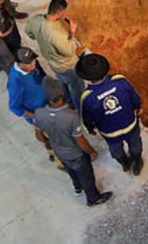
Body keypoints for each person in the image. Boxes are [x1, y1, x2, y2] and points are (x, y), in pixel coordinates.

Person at [34, 78, 113, 207]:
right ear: (63, 92)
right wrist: (91, 151)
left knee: (71, 170)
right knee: (87, 177)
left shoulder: (39, 113)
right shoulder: (71, 116)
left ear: (46, 96)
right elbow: (80, 141)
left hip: (59, 152)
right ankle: (93, 198)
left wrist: (48, 143)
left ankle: (78, 188)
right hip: (76, 154)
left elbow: (38, 135)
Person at [77, 53, 144, 176]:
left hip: (110, 132)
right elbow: (134, 95)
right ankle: (137, 163)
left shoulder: (87, 97)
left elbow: (87, 117)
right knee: (135, 143)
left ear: (86, 77)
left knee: (115, 149)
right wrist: (138, 107)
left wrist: (90, 128)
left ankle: (125, 164)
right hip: (130, 124)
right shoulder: (120, 80)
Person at [25, 0, 87, 109]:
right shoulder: (56, 34)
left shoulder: (36, 19)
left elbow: (28, 32)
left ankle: (69, 103)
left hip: (53, 63)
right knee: (76, 88)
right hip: (67, 66)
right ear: (58, 12)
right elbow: (69, 51)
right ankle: (80, 109)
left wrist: (40, 38)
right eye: (63, 12)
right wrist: (72, 32)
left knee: (63, 83)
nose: (63, 15)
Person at [7, 47, 58, 163]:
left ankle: (52, 148)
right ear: (19, 65)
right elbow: (14, 107)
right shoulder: (15, 82)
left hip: (48, 104)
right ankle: (54, 154)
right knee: (47, 135)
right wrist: (35, 116)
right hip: (37, 113)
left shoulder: (33, 64)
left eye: (34, 61)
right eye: (29, 63)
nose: (33, 64)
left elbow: (43, 76)